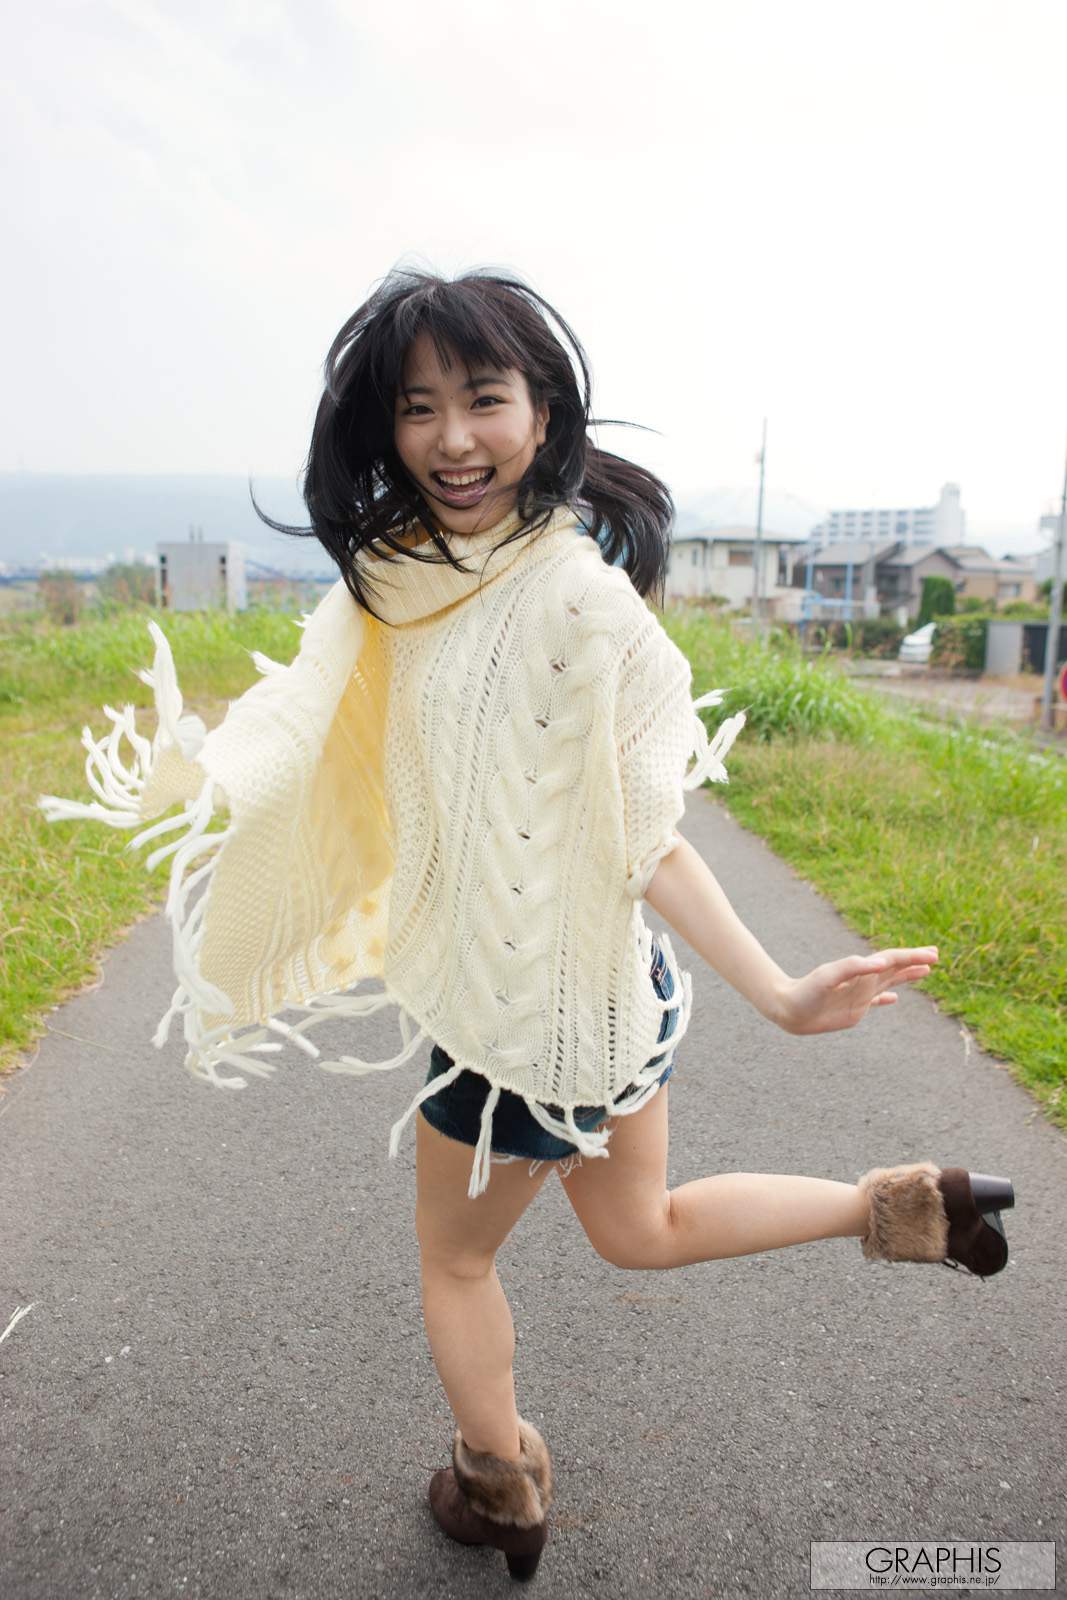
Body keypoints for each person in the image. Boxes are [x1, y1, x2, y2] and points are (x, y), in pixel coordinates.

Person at [39, 265, 1015, 1584]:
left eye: (483, 399)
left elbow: (644, 835)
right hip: (614, 996)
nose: (451, 438)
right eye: (418, 407)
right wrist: (224, 770)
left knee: (454, 1268)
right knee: (640, 1229)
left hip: (514, 1023)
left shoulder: (578, 606)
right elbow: (329, 716)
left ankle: (495, 1487)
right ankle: (903, 1206)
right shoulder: (400, 573)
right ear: (387, 427)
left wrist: (785, 994)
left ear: (544, 413)